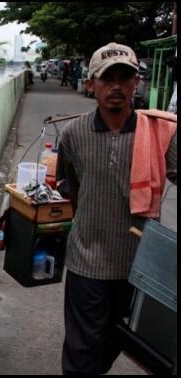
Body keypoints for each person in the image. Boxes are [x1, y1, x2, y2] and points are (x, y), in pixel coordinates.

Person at [56, 42, 177, 375]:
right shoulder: (73, 133)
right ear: (91, 83)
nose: (117, 86)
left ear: (136, 83)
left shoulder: (160, 133)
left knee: (117, 342)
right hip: (87, 264)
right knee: (81, 354)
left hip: (138, 267)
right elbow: (70, 188)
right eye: (108, 78)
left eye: (126, 77)